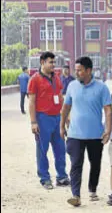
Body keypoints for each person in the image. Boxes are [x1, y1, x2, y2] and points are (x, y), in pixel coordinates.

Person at [60, 56, 112, 207]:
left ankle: (92, 189)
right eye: (75, 70)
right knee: (76, 164)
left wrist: (108, 129)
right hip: (75, 134)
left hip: (96, 134)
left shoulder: (101, 88)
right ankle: (75, 195)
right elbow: (65, 108)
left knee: (95, 163)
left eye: (80, 70)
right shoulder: (72, 86)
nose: (77, 73)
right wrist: (61, 126)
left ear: (89, 70)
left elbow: (108, 110)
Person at [28, 51, 70, 190]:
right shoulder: (34, 79)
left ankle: (62, 177)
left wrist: (66, 116)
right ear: (42, 62)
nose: (53, 65)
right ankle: (45, 178)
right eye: (50, 62)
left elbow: (60, 96)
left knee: (60, 148)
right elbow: (32, 102)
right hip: (43, 118)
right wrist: (34, 122)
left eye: (54, 62)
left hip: (57, 117)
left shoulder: (57, 77)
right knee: (42, 149)